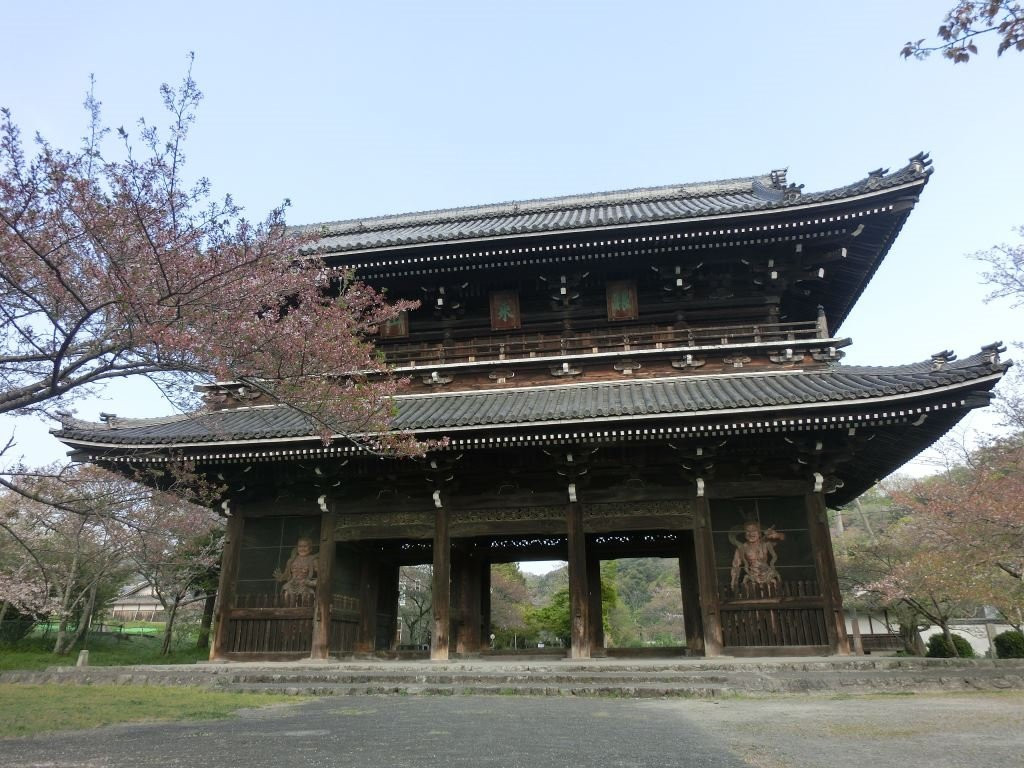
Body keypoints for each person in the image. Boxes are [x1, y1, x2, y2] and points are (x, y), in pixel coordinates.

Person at [729, 521, 784, 593]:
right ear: (745, 534)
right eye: (748, 531)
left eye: (754, 530)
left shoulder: (765, 544)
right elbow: (736, 566)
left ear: (759, 533)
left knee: (773, 587)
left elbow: (782, 538)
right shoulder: (742, 548)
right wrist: (734, 583)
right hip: (752, 576)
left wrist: (777, 535)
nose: (751, 534)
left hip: (767, 574)